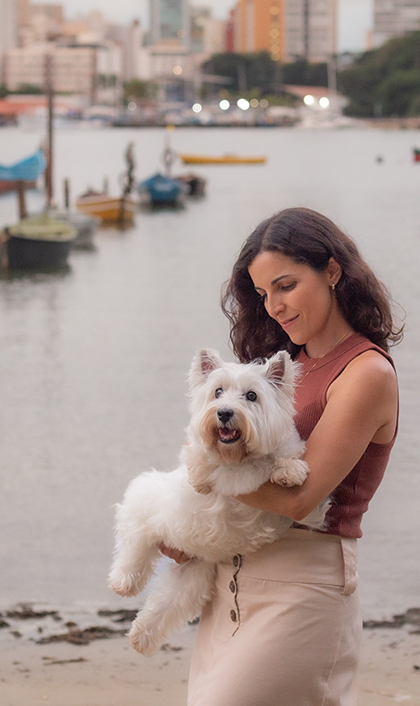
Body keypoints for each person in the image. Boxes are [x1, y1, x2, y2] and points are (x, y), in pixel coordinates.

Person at [173, 207, 401, 706]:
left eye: (286, 285)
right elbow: (242, 464)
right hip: (232, 577)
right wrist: (188, 532)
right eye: (262, 294)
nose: (273, 305)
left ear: (333, 271)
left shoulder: (365, 374)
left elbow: (300, 499)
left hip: (303, 588)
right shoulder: (287, 367)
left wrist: (204, 474)